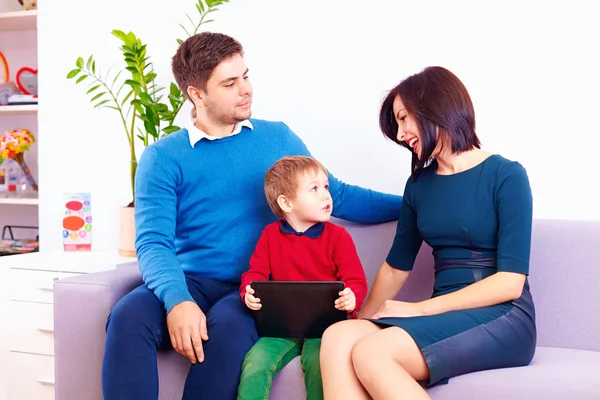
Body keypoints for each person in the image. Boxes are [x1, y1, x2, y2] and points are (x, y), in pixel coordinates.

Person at [100, 32, 403, 400]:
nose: (246, 90)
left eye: (245, 76)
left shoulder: (276, 138)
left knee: (228, 326)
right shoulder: (163, 157)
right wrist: (179, 300)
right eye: (230, 83)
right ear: (197, 94)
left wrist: (414, 203)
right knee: (128, 317)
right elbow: (153, 242)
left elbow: (336, 195)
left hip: (254, 288)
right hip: (192, 280)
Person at [319, 66, 536, 400]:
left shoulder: (506, 175)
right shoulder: (419, 185)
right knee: (338, 338)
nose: (402, 133)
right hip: (445, 313)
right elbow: (395, 268)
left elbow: (510, 283)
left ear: (437, 107)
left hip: (504, 316)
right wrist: (365, 318)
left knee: (371, 352)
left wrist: (418, 309)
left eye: (405, 118)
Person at [237, 155, 368, 400]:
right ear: (286, 203)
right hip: (281, 328)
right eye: (314, 189)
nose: (325, 195)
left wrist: (352, 297)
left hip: (327, 330)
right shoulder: (269, 236)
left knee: (321, 366)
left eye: (326, 187)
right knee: (255, 363)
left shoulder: (338, 237)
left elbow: (356, 281)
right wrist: (249, 292)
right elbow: (254, 274)